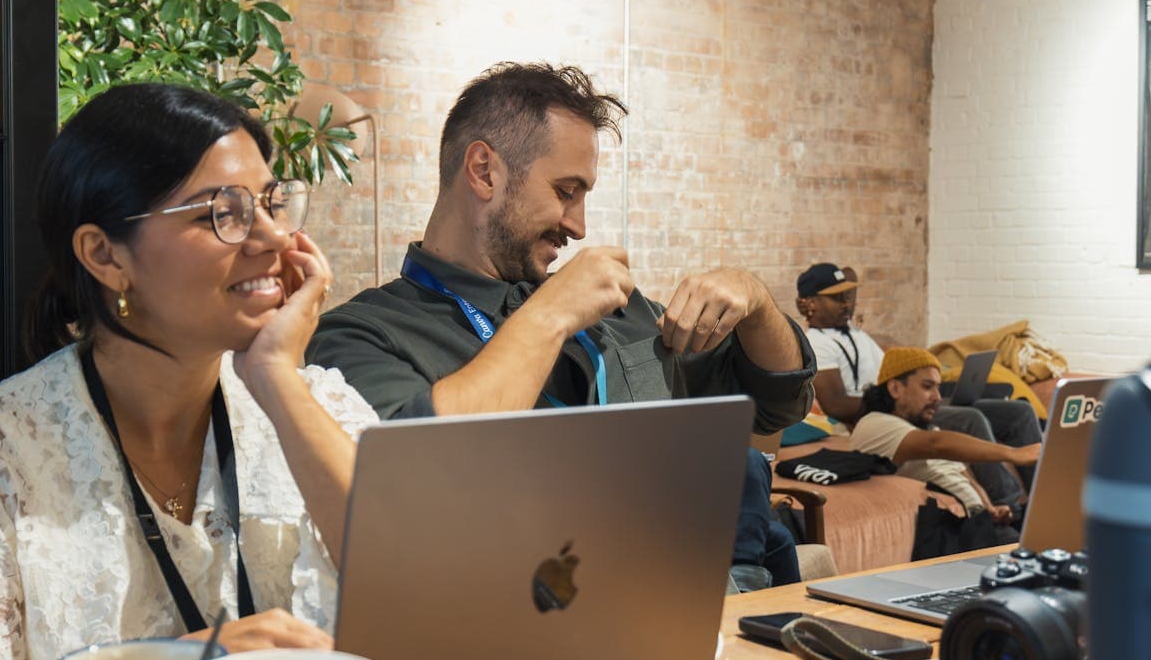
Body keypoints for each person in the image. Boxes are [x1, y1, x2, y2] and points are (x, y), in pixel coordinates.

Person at [306, 62, 817, 591]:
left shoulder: (617, 311)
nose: (578, 226)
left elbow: (779, 403)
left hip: (689, 607)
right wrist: (549, 316)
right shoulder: (358, 335)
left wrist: (756, 303)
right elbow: (409, 486)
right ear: (483, 171)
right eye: (565, 191)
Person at [0, 84, 378, 660]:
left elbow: (419, 601)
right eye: (222, 213)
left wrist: (275, 378)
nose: (273, 237)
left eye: (272, 203)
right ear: (105, 255)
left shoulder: (314, 404)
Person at [796, 262, 1043, 482]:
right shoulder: (817, 343)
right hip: (889, 410)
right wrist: (901, 399)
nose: (846, 303)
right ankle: (1007, 502)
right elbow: (837, 405)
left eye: (846, 296)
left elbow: (850, 276)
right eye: (835, 298)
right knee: (971, 418)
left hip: (901, 398)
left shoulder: (852, 332)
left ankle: (1044, 492)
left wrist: (924, 389)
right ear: (810, 303)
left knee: (1019, 411)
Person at [852, 348, 1041, 539]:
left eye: (938, 388)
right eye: (927, 387)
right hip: (960, 530)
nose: (937, 397)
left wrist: (990, 508)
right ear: (895, 389)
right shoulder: (874, 424)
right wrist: (1013, 453)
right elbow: (935, 444)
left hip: (984, 523)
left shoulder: (925, 429)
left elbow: (962, 475)